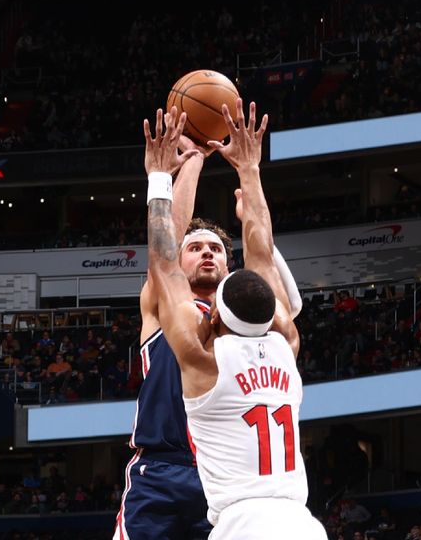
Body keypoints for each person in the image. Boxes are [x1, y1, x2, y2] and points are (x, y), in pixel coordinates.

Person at [114, 105, 302, 540]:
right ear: (182, 262)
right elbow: (169, 252)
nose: (206, 253)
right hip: (160, 468)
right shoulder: (273, 337)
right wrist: (201, 164)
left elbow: (166, 252)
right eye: (195, 247)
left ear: (232, 269)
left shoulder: (223, 329)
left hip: (223, 474)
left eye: (216, 249)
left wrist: (159, 175)